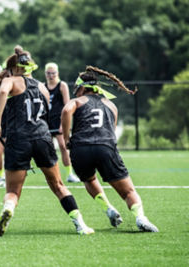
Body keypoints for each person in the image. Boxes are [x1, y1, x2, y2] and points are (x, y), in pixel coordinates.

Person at [0, 46, 94, 237]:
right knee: (58, 185)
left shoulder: (10, 80)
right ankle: (80, 224)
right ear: (30, 67)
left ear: (13, 68)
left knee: (13, 190)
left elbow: (3, 92)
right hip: (42, 138)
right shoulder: (42, 87)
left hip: (18, 139)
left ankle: (9, 209)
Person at [61, 66, 158, 232]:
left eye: (77, 89)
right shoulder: (111, 105)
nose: (75, 92)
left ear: (83, 88)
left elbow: (66, 110)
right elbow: (111, 132)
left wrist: (67, 139)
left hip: (81, 148)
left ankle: (108, 208)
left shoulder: (76, 102)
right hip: (105, 147)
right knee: (128, 191)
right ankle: (140, 217)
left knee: (90, 180)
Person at [44, 62, 80, 183]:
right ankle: (52, 175)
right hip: (46, 121)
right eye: (48, 73)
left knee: (63, 147)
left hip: (58, 121)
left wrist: (62, 124)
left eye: (53, 73)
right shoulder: (43, 86)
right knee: (46, 150)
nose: (51, 75)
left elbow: (67, 105)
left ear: (57, 73)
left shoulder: (61, 85)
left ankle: (70, 173)